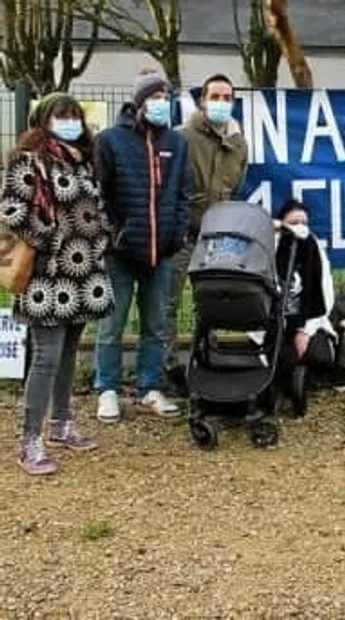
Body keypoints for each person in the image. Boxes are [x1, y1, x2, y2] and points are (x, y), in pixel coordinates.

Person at [1, 94, 115, 474]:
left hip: (83, 274)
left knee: (69, 352)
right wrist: (51, 240)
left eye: (74, 116)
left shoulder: (83, 160)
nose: (70, 122)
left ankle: (62, 423)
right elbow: (12, 212)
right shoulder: (28, 160)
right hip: (47, 276)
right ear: (44, 120)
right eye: (61, 116)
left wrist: (102, 237)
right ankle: (29, 440)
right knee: (46, 356)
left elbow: (94, 208)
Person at [93, 67, 192, 423]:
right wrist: (115, 235)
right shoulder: (109, 140)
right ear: (138, 102)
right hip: (121, 253)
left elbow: (184, 193)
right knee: (111, 325)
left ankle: (150, 387)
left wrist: (176, 234)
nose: (161, 104)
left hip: (162, 252)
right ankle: (107, 389)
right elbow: (99, 195)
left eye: (166, 98)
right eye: (154, 97)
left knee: (156, 325)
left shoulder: (177, 143)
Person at [164, 73, 248, 391]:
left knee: (211, 300)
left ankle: (207, 357)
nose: (221, 103)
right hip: (183, 233)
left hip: (216, 236)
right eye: (215, 96)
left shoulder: (239, 143)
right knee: (168, 302)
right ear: (202, 100)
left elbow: (236, 185)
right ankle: (167, 367)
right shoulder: (182, 137)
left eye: (227, 98)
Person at [272, 199, 336, 377]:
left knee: (320, 357)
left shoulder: (313, 247)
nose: (299, 228)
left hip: (306, 318)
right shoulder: (269, 245)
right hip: (275, 320)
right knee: (282, 360)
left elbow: (325, 293)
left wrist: (306, 332)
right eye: (293, 223)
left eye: (304, 223)